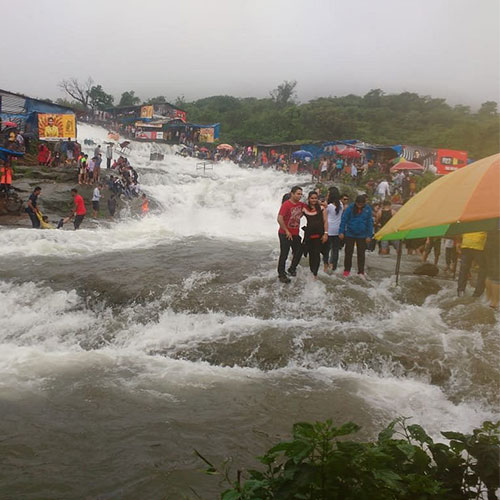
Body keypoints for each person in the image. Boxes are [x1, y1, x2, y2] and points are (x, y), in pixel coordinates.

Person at [339, 194, 373, 278]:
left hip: (362, 235)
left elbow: (370, 223)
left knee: (361, 253)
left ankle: (361, 271)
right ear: (356, 203)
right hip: (350, 233)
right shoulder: (350, 208)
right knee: (348, 252)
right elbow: (344, 220)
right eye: (358, 204)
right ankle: (347, 270)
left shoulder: (368, 209)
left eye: (362, 204)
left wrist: (369, 235)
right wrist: (341, 232)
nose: (360, 206)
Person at [277, 186, 305, 283]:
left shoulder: (301, 204)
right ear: (292, 194)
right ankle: (281, 274)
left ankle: (292, 269)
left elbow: (308, 210)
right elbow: (279, 218)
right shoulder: (286, 204)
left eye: (301, 194)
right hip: (284, 233)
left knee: (299, 250)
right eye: (298, 194)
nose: (300, 196)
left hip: (295, 233)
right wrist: (287, 231)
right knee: (284, 254)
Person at [302, 191, 328, 278]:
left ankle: (315, 273)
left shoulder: (322, 208)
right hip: (309, 235)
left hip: (319, 235)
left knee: (317, 253)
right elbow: (296, 217)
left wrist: (326, 234)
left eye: (315, 198)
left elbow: (325, 221)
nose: (314, 200)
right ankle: (312, 270)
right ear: (309, 199)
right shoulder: (305, 209)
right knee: (310, 253)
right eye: (312, 198)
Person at [457, 232, 488, 297]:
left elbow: (460, 230)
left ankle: (460, 291)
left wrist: (458, 242)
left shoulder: (466, 221)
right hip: (479, 245)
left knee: (464, 269)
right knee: (483, 269)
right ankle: (478, 293)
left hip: (466, 244)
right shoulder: (485, 222)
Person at [324, 187, 344, 272]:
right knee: (335, 249)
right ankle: (333, 265)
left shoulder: (329, 206)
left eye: (328, 193)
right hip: (337, 230)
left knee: (326, 249)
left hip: (329, 229)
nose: (327, 195)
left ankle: (325, 265)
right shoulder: (341, 204)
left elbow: (324, 216)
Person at [484, 231, 500, 308]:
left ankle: (488, 298)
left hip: (488, 244)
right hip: (497, 246)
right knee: (497, 276)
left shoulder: (490, 221)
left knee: (490, 274)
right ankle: (495, 303)